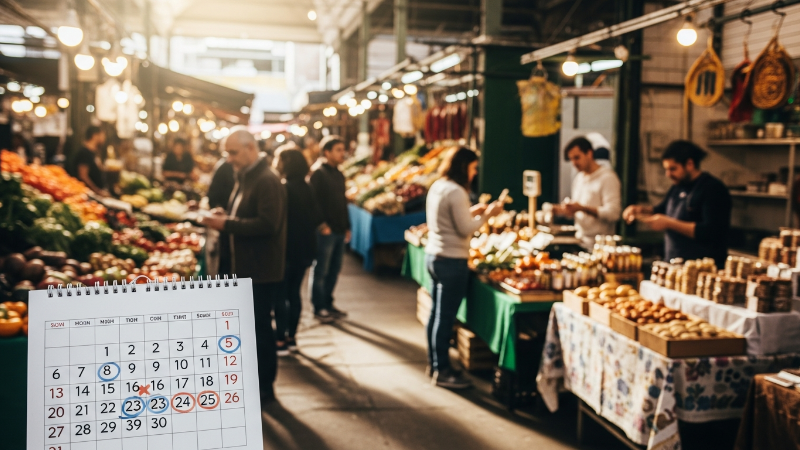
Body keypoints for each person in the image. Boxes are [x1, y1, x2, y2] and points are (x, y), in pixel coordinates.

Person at [201, 127, 287, 403]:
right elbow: (246, 214)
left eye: (233, 152)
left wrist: (226, 224)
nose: (229, 159)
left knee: (260, 329)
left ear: (251, 148)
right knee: (250, 328)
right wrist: (226, 215)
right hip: (247, 266)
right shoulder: (247, 176)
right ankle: (254, 382)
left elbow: (268, 224)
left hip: (260, 269)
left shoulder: (267, 180)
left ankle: (264, 387)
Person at [425, 147, 503, 389]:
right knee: (445, 318)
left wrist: (473, 211)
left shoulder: (439, 186)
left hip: (434, 255)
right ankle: (442, 370)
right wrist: (489, 214)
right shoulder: (457, 192)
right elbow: (465, 229)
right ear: (463, 167)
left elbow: (449, 219)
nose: (475, 172)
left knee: (436, 314)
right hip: (452, 260)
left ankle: (434, 363)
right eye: (473, 167)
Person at [623, 140, 732, 268]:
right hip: (674, 264)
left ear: (690, 164)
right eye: (666, 169)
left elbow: (709, 231)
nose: (668, 174)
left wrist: (668, 223)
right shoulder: (678, 186)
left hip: (700, 269)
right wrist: (639, 210)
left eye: (673, 169)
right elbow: (662, 209)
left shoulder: (712, 189)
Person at [272, 146, 324, 355]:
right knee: (294, 294)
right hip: (305, 248)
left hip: (286, 249)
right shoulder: (307, 187)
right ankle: (292, 337)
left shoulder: (283, 188)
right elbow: (316, 217)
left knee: (280, 295)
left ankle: (280, 339)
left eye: (278, 160)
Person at [309, 136, 350, 323]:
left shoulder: (339, 174)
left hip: (339, 229)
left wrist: (347, 226)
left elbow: (342, 202)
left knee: (334, 270)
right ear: (327, 152)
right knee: (321, 270)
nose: (342, 153)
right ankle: (319, 307)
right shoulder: (318, 173)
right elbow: (312, 202)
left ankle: (328, 303)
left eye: (343, 149)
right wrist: (321, 224)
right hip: (326, 231)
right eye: (338, 150)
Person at [554, 136, 621, 249]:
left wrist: (583, 208)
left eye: (577, 158)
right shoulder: (579, 178)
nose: (574, 163)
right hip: (579, 241)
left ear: (589, 154)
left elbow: (614, 214)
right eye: (571, 159)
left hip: (599, 246)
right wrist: (564, 210)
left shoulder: (607, 178)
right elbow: (578, 212)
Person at [70, 126, 109, 196]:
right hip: (87, 195)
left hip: (96, 194)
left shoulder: (94, 152)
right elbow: (83, 176)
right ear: (95, 136)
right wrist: (97, 191)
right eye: (102, 135)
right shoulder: (84, 152)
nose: (104, 138)